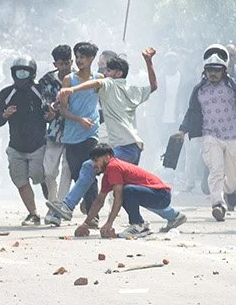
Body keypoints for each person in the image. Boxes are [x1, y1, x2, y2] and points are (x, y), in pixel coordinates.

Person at [49, 49, 158, 229]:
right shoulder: (132, 89)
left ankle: (68, 206)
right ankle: (169, 215)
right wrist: (148, 62)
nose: (104, 73)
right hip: (133, 147)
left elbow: (96, 82)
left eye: (108, 70)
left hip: (124, 147)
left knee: (89, 166)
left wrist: (70, 89)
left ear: (117, 73)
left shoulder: (109, 84)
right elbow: (153, 86)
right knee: (125, 188)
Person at [174, 50, 236, 221]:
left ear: (223, 70)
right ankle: (218, 204)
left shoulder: (234, 85)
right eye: (209, 70)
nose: (213, 73)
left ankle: (229, 192)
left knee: (232, 178)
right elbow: (192, 111)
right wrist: (182, 129)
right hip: (210, 135)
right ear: (205, 71)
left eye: (216, 70)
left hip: (233, 135)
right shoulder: (199, 89)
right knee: (215, 170)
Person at [44, 42, 102, 227]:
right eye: (77, 57)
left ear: (91, 59)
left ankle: (92, 214)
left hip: (91, 133)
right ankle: (76, 206)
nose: (79, 60)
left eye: (82, 57)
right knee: (78, 174)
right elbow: (63, 111)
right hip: (71, 135)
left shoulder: (98, 78)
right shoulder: (69, 80)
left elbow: (103, 94)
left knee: (91, 171)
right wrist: (79, 120)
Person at [0, 56, 49, 225]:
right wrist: (5, 114)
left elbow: (50, 111)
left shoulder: (40, 91)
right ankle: (33, 214)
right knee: (20, 180)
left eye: (25, 72)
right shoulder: (6, 93)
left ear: (32, 74)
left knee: (37, 175)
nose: (21, 75)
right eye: (18, 72)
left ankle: (46, 186)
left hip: (38, 144)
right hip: (16, 146)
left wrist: (49, 115)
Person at [88, 145, 187, 240]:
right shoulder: (107, 175)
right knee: (126, 192)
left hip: (161, 194)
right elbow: (99, 200)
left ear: (107, 157)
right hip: (158, 195)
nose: (94, 165)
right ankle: (146, 224)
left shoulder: (113, 166)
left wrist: (109, 224)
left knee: (126, 191)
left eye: (96, 161)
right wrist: (86, 224)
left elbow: (118, 199)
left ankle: (138, 224)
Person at [38, 45, 73, 204]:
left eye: (67, 63)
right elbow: (44, 101)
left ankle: (61, 205)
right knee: (49, 171)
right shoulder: (47, 80)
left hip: (74, 130)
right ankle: (53, 201)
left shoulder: (79, 79)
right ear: (55, 65)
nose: (65, 67)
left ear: (72, 61)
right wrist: (50, 109)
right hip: (54, 131)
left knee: (67, 169)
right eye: (61, 64)